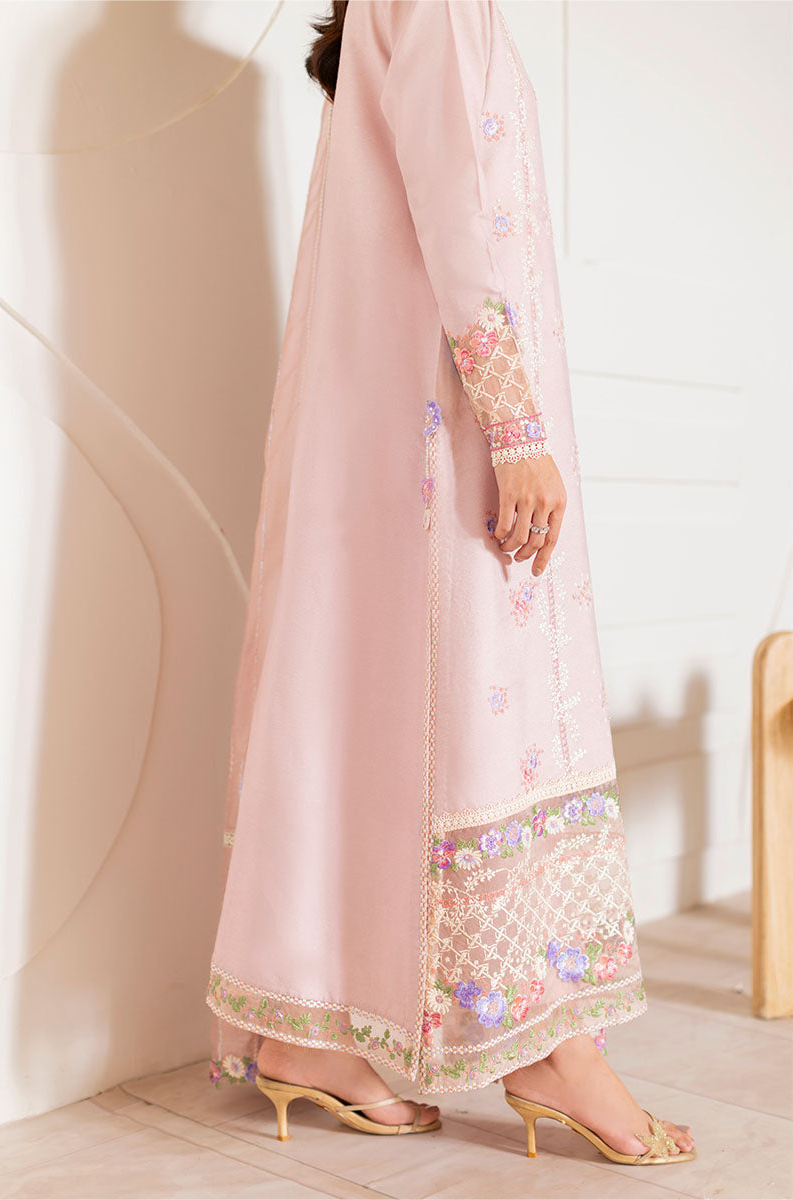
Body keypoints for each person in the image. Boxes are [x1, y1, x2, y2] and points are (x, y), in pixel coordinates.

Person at [205, 0, 696, 1165]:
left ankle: (307, 1034)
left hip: (401, 418)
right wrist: (515, 430)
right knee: (477, 710)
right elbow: (456, 215)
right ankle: (541, 1046)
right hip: (443, 424)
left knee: (365, 706)